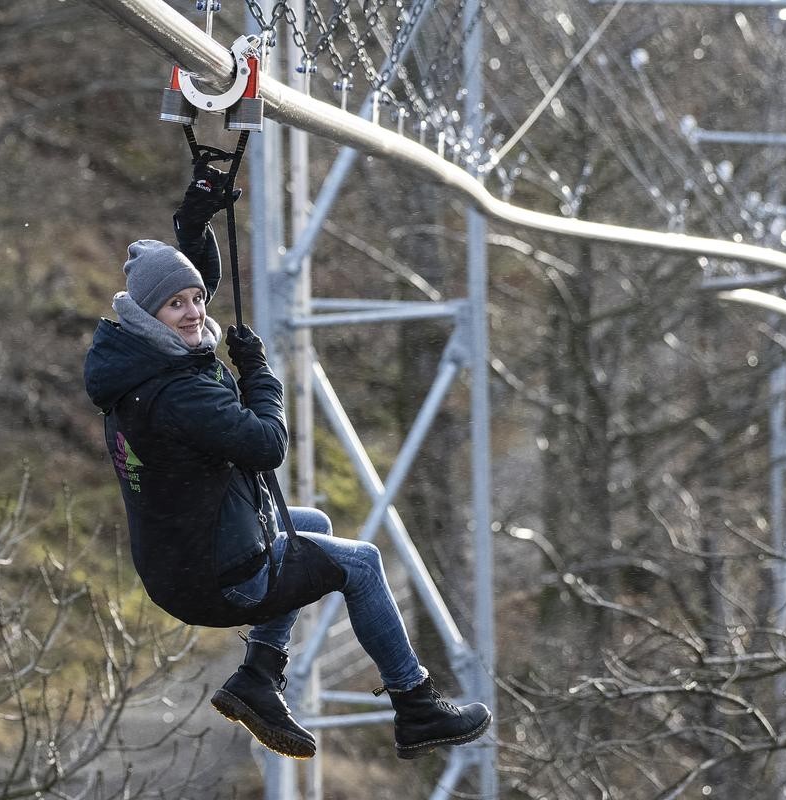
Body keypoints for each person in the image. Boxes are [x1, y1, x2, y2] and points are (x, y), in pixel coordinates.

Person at [84, 155, 491, 761]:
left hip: (181, 566)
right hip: (220, 579)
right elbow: (268, 445)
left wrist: (196, 222)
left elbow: (194, 298)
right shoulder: (181, 394)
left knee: (315, 527)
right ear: (150, 317)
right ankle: (416, 705)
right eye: (179, 305)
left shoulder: (139, 364)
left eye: (196, 298)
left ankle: (259, 678)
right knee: (360, 563)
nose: (196, 312)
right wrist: (259, 375)